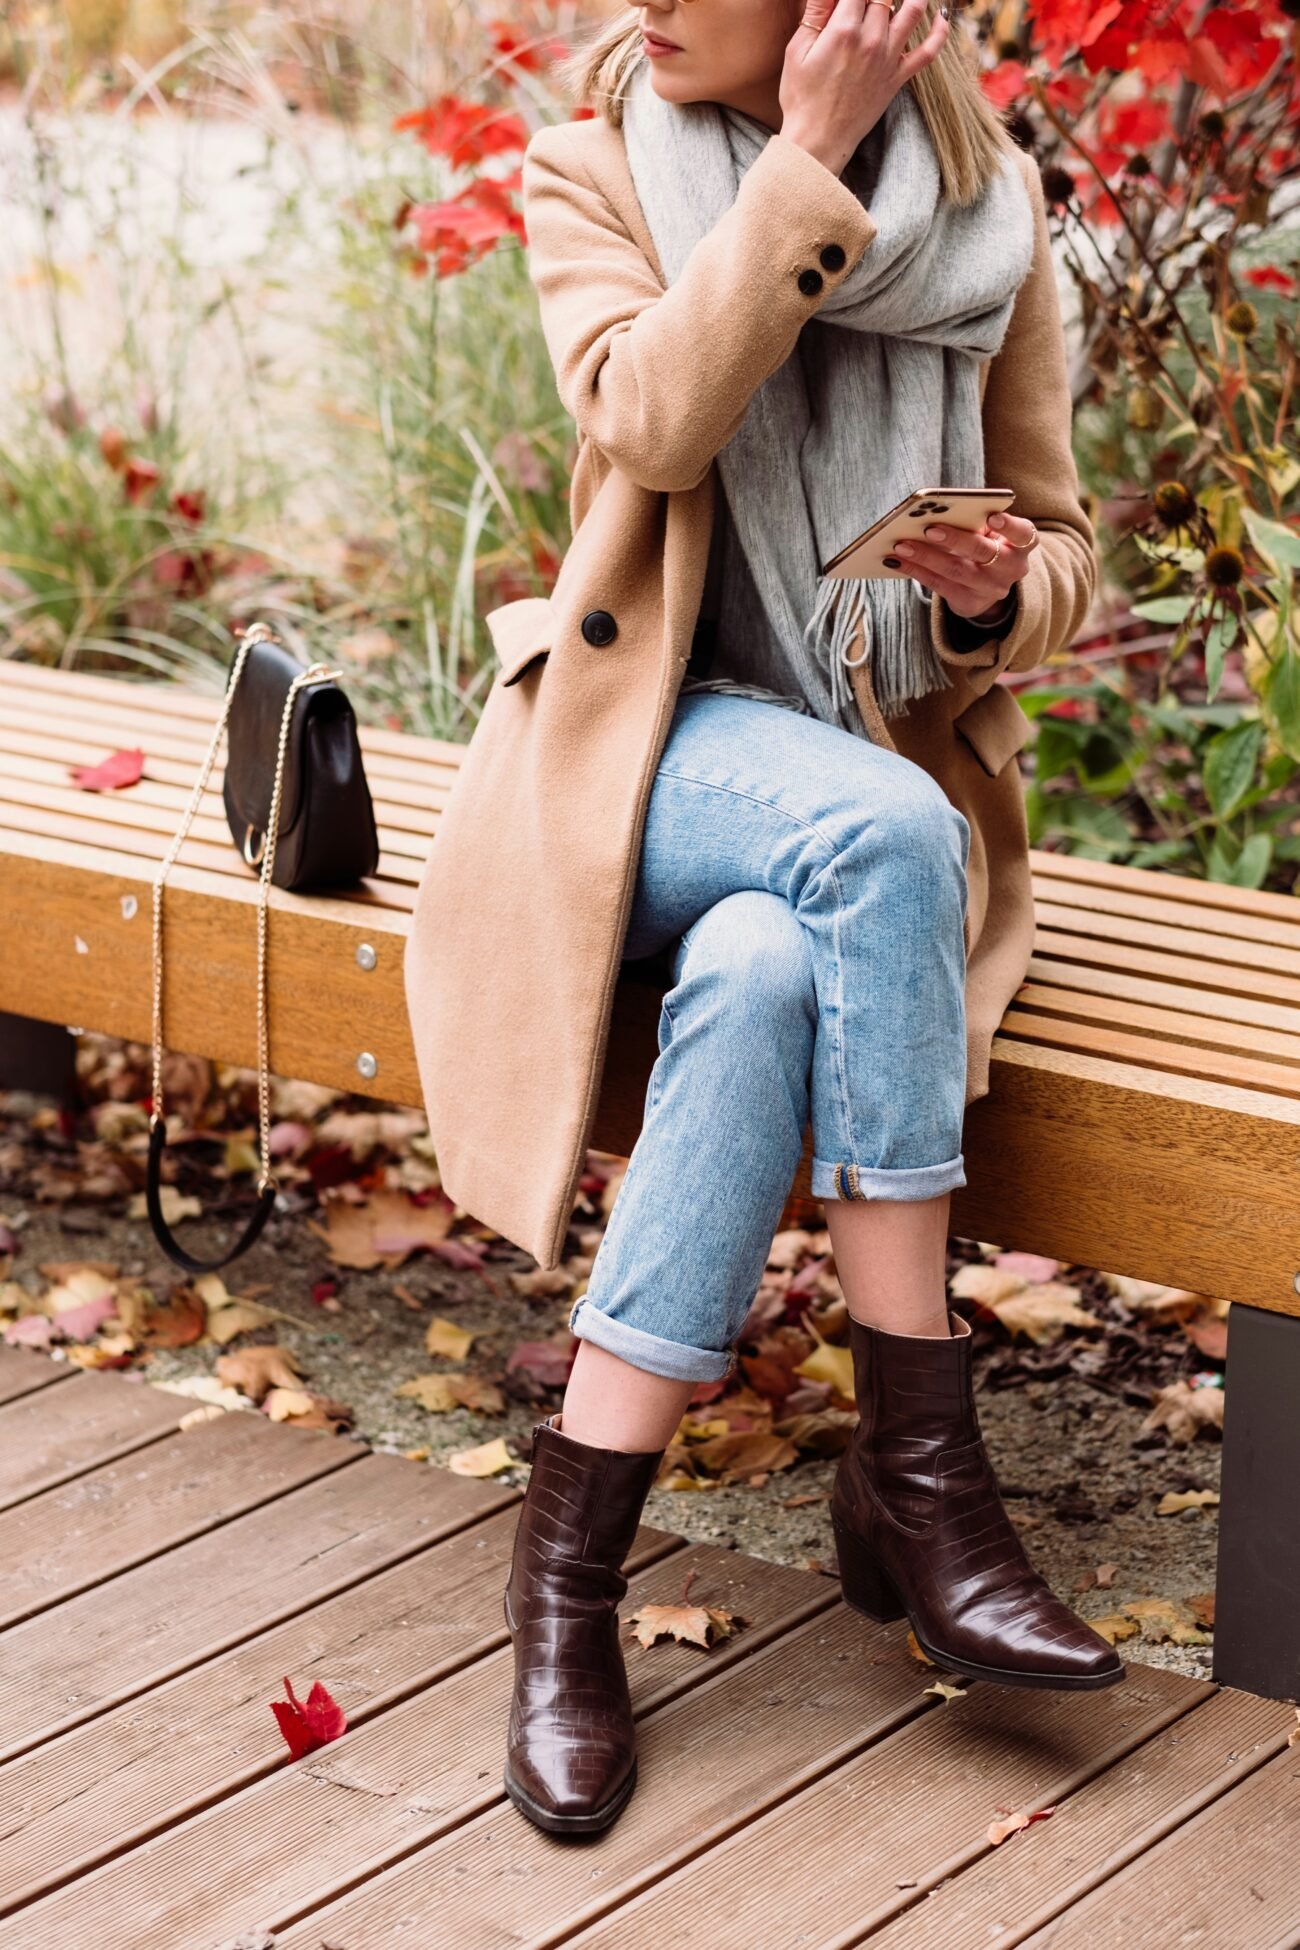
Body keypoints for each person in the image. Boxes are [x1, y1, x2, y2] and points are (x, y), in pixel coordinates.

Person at [402, 0, 1123, 1843]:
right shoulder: (594, 166)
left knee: (769, 963)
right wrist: (803, 167)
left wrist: (982, 601)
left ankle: (563, 1578)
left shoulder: (993, 213)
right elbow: (648, 414)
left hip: (837, 810)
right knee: (880, 835)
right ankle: (925, 1463)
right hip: (640, 768)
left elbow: (1062, 547)